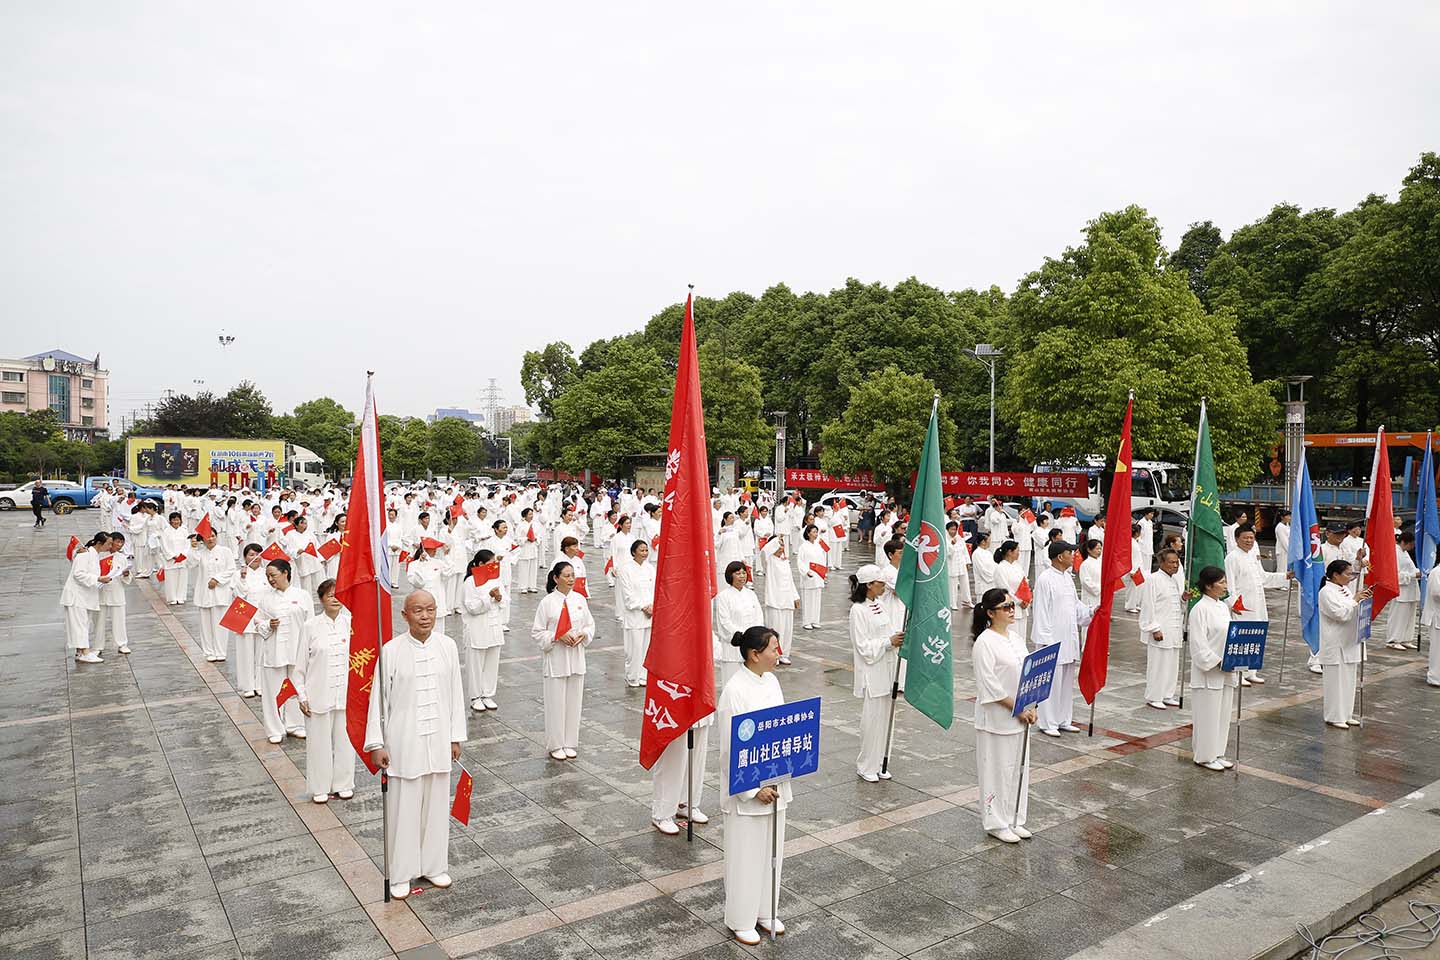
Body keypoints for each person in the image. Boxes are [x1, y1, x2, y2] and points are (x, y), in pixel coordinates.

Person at [365, 590, 467, 900]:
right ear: (404, 615)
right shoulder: (392, 650)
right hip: (403, 740)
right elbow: (377, 703)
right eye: (418, 610)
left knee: (436, 804)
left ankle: (434, 865)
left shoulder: (447, 646)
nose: (425, 616)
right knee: (403, 809)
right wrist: (377, 743)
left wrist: (454, 736)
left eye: (431, 610)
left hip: (438, 738)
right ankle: (401, 873)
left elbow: (456, 693)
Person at [718, 625, 791, 946]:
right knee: (746, 856)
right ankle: (741, 918)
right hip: (747, 791)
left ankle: (765, 910)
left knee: (771, 851)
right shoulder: (734, 690)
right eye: (774, 648)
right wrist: (751, 789)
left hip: (775, 781)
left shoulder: (772, 681)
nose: (779, 653)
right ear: (755, 654)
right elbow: (728, 748)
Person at [971, 587, 1037, 843]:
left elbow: (1030, 673)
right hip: (997, 718)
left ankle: (1015, 818)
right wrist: (1017, 709)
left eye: (1012, 606)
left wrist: (1032, 706)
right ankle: (996, 821)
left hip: (1022, 715)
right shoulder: (984, 643)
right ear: (990, 613)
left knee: (1018, 769)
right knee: (997, 770)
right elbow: (990, 686)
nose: (1012, 611)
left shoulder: (1016, 638)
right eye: (1006, 607)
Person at [295, 579, 355, 803]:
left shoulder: (350, 623)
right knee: (318, 743)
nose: (335, 599)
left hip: (345, 693)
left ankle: (344, 783)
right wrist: (302, 695)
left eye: (338, 594)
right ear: (321, 599)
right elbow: (299, 665)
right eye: (330, 595)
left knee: (345, 741)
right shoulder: (310, 626)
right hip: (318, 693)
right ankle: (320, 786)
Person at [1032, 541, 1096, 737]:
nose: (1074, 555)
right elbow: (1040, 612)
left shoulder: (1068, 578)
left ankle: (1063, 719)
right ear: (1060, 557)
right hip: (1052, 641)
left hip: (1068, 639)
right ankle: (1047, 722)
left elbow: (1076, 608)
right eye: (1071, 552)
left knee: (1066, 683)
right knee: (1051, 683)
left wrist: (1093, 612)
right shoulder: (1045, 579)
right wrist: (1046, 642)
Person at [532, 561, 595, 761]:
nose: (570, 579)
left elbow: (589, 624)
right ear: (555, 578)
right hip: (556, 659)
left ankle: (570, 742)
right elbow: (537, 632)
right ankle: (556, 744)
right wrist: (556, 637)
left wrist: (583, 635)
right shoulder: (548, 602)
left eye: (572, 575)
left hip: (576, 657)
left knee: (574, 702)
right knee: (556, 703)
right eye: (566, 575)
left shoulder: (580, 599)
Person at [850, 564, 904, 783]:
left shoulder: (880, 604)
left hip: (887, 667)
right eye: (880, 584)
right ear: (868, 586)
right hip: (872, 671)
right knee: (872, 720)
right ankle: (866, 765)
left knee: (886, 719)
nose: (884, 587)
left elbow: (888, 630)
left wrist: (896, 638)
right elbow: (862, 646)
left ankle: (882, 761)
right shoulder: (858, 610)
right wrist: (887, 643)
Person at [1224, 524, 1292, 686]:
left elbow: (1263, 578)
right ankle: (1237, 672)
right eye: (1245, 538)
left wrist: (1285, 576)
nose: (1249, 541)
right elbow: (1229, 585)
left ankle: (1250, 671)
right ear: (1236, 539)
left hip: (1257, 602)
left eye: (1251, 538)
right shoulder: (1232, 558)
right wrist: (1233, 603)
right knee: (1240, 638)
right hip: (1242, 605)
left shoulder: (1252, 556)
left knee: (1255, 635)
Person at [1188, 565, 1237, 770]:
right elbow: (1198, 645)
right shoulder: (1199, 609)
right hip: (1209, 671)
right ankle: (1204, 756)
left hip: (1226, 670)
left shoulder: (1223, 607)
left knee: (1223, 713)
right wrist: (1218, 661)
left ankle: (1217, 752)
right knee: (1207, 715)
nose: (1225, 586)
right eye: (1221, 582)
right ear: (1208, 586)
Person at [257, 558, 309, 744]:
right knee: (273, 690)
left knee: (296, 686)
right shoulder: (265, 598)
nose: (271, 579)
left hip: (297, 648)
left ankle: (295, 724)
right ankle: (274, 728)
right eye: (268, 576)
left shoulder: (302, 595)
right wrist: (268, 625)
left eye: (273, 575)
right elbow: (257, 623)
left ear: (285, 573)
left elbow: (309, 623)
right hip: (274, 649)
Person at [1318, 560, 1370, 729]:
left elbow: (1352, 609)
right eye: (1348, 574)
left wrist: (1362, 600)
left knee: (1348, 681)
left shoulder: (1345, 589)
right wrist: (1355, 600)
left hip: (1349, 641)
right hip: (1335, 643)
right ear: (1335, 575)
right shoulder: (1326, 592)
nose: (1350, 577)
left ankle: (1347, 714)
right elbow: (1339, 614)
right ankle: (1334, 716)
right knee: (1335, 682)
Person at [460, 549, 506, 712]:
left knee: (492, 662)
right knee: (476, 664)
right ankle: (475, 696)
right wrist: (489, 597)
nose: (493, 565)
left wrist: (499, 598)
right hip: (477, 628)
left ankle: (487, 694)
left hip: (494, 627)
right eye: (490, 563)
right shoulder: (470, 582)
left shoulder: (496, 579)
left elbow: (504, 602)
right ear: (480, 564)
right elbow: (472, 607)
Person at [1139, 548, 1185, 708]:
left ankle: (1167, 694)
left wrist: (1183, 599)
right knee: (1158, 665)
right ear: (1162, 563)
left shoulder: (1174, 580)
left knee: (1172, 664)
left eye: (1177, 562)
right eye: (1171, 562)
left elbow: (1173, 603)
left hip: (1173, 628)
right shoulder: (1153, 579)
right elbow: (1148, 605)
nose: (1175, 566)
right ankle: (1154, 696)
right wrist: (1153, 628)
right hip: (1160, 629)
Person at [714, 561, 764, 687]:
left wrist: (756, 635)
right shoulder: (723, 596)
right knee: (732, 684)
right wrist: (742, 636)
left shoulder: (751, 594)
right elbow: (724, 622)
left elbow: (758, 616)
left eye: (743, 573)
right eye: (738, 573)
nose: (742, 576)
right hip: (733, 649)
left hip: (751, 648)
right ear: (730, 576)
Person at [63, 533, 109, 663]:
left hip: (85, 596)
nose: (110, 546)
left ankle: (80, 651)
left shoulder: (93, 555)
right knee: (80, 625)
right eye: (109, 543)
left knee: (84, 623)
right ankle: (85, 652)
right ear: (99, 543)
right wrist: (98, 579)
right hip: (76, 596)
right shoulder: (85, 554)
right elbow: (78, 574)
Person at [193, 527, 237, 663]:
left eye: (213, 536)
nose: (210, 539)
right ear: (203, 539)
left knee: (220, 625)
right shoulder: (200, 553)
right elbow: (190, 563)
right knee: (205, 625)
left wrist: (217, 579)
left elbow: (231, 569)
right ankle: (209, 652)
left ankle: (220, 651)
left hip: (220, 592)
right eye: (207, 536)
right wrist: (193, 548)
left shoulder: (225, 551)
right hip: (203, 593)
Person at [618, 539, 656, 687]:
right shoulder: (625, 569)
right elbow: (628, 595)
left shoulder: (650, 568)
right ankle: (632, 676)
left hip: (649, 614)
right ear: (634, 552)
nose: (645, 553)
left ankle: (643, 676)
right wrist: (642, 606)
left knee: (646, 648)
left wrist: (652, 606)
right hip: (635, 614)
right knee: (634, 649)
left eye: (646, 550)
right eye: (642, 550)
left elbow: (655, 589)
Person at [232, 543, 267, 698]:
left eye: (258, 554)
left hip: (263, 614)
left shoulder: (267, 572)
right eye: (251, 555)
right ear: (245, 557)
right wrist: (243, 578)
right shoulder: (238, 574)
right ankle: (247, 686)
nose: (255, 558)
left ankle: (259, 684)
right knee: (245, 652)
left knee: (261, 652)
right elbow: (240, 594)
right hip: (244, 613)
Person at [759, 536, 799, 666]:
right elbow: (764, 551)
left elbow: (790, 580)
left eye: (783, 545)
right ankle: (773, 655)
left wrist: (795, 596)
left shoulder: (785, 562)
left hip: (787, 599)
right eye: (779, 545)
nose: (781, 548)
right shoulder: (769, 561)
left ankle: (784, 654)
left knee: (787, 629)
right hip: (775, 600)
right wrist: (777, 539)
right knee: (775, 629)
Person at [94, 533, 132, 656]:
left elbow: (126, 578)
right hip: (101, 591)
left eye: (122, 542)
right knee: (99, 621)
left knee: (119, 619)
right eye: (117, 542)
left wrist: (126, 575)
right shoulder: (98, 555)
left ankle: (122, 644)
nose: (119, 545)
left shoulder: (121, 557)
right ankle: (97, 646)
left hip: (116, 591)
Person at [1386, 532, 1420, 650]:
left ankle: (1406, 638)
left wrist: (1417, 572)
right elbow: (1395, 573)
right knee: (1398, 616)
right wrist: (1412, 575)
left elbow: (1411, 567)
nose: (1412, 547)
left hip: (1410, 588)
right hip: (1401, 588)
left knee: (1409, 616)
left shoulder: (1404, 553)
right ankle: (1393, 639)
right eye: (1411, 544)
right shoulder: (1395, 552)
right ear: (1404, 542)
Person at [992, 540, 1030, 644]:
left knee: (1022, 638)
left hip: (1023, 607)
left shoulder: (1017, 566)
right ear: (1009, 552)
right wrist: (1018, 601)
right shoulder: (1000, 568)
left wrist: (1028, 597)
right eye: (1017, 550)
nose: (1019, 553)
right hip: (1011, 606)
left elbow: (1025, 582)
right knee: (1013, 637)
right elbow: (1005, 589)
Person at [797, 525, 826, 630]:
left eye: (816, 532)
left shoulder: (818, 546)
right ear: (808, 533)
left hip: (818, 575)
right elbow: (800, 561)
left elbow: (822, 560)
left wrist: (823, 573)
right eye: (813, 532)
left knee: (817, 598)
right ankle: (807, 621)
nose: (816, 534)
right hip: (808, 576)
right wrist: (806, 571)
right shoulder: (803, 547)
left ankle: (815, 620)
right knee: (808, 599)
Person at [159, 512, 191, 604]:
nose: (176, 521)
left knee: (182, 578)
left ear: (180, 520)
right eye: (174, 520)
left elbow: (187, 544)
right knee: (171, 579)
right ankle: (172, 598)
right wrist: (172, 556)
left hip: (182, 559)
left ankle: (181, 597)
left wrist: (183, 555)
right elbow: (164, 546)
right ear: (170, 521)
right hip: (171, 560)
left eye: (177, 519)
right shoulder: (166, 532)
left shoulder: (184, 531)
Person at [1078, 539, 1103, 607]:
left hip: (1101, 594)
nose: (1099, 551)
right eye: (1097, 549)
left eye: (1100, 549)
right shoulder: (1085, 564)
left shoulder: (1100, 562)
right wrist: (1099, 589)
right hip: (1090, 596)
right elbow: (1086, 582)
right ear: (1089, 550)